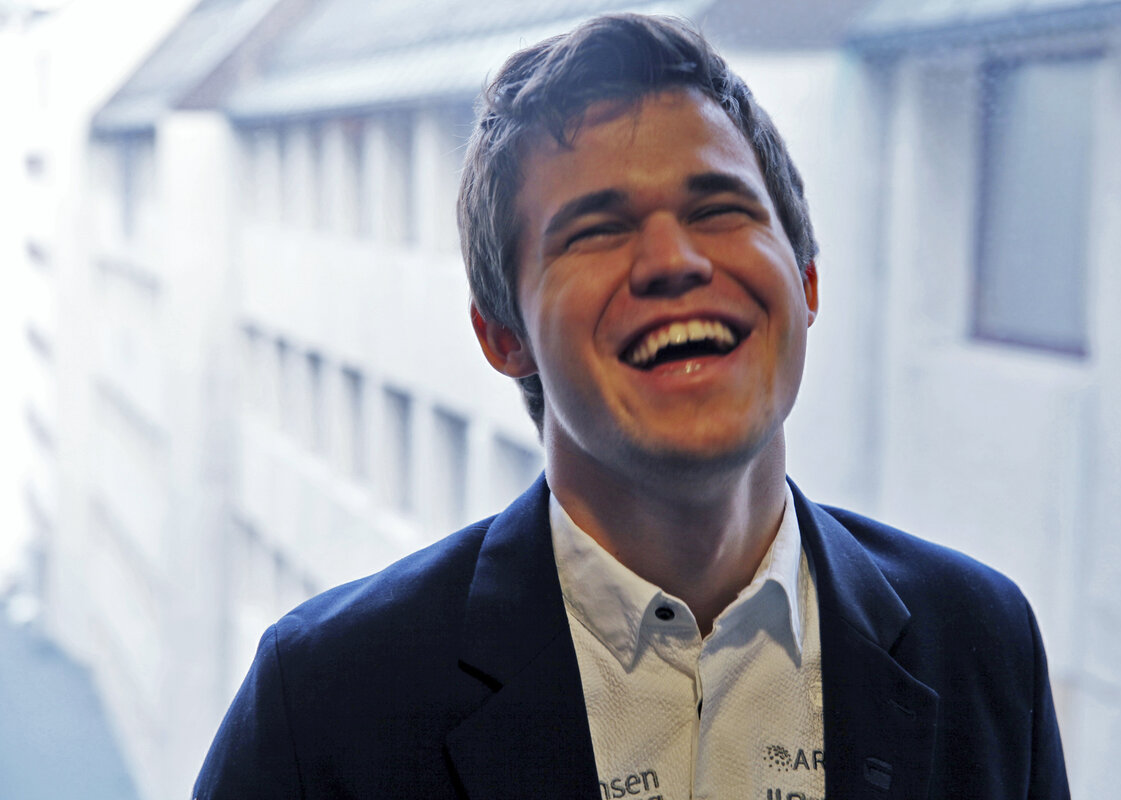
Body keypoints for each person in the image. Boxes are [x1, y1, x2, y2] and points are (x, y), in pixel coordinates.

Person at [195, 13, 1070, 800]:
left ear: (806, 281)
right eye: (598, 230)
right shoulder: (325, 702)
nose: (673, 261)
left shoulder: (983, 645)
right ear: (503, 336)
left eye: (719, 208)